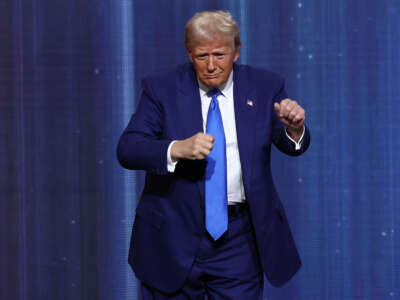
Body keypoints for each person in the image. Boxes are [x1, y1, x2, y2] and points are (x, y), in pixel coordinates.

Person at [117, 10, 310, 300]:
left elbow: (289, 144)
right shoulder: (162, 89)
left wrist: (295, 130)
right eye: (201, 56)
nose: (210, 66)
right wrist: (176, 148)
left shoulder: (264, 86)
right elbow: (128, 149)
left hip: (239, 240)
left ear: (236, 51)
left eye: (219, 55)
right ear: (188, 53)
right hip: (173, 234)